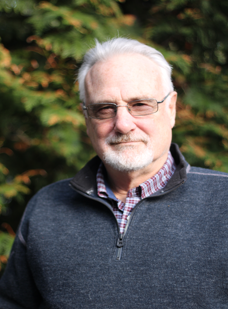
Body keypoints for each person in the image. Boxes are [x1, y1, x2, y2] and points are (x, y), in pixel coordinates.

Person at [0, 38, 227, 309]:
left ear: (171, 109)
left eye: (141, 104)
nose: (122, 124)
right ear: (87, 119)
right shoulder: (46, 207)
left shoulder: (226, 203)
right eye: (104, 109)